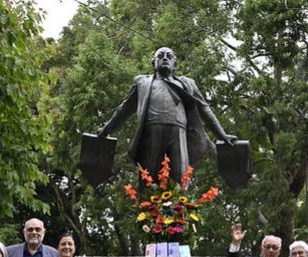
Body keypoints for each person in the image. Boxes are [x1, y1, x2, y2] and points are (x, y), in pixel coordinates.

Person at [98, 47, 233, 182]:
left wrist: (222, 135)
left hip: (179, 133)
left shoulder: (187, 84)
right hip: (151, 133)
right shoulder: (142, 82)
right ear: (154, 63)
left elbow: (205, 109)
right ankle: (147, 202)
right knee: (149, 178)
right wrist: (106, 131)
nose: (164, 58)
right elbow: (124, 110)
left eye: (169, 56)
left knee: (180, 176)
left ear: (175, 64)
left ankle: (180, 203)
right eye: (160, 56)